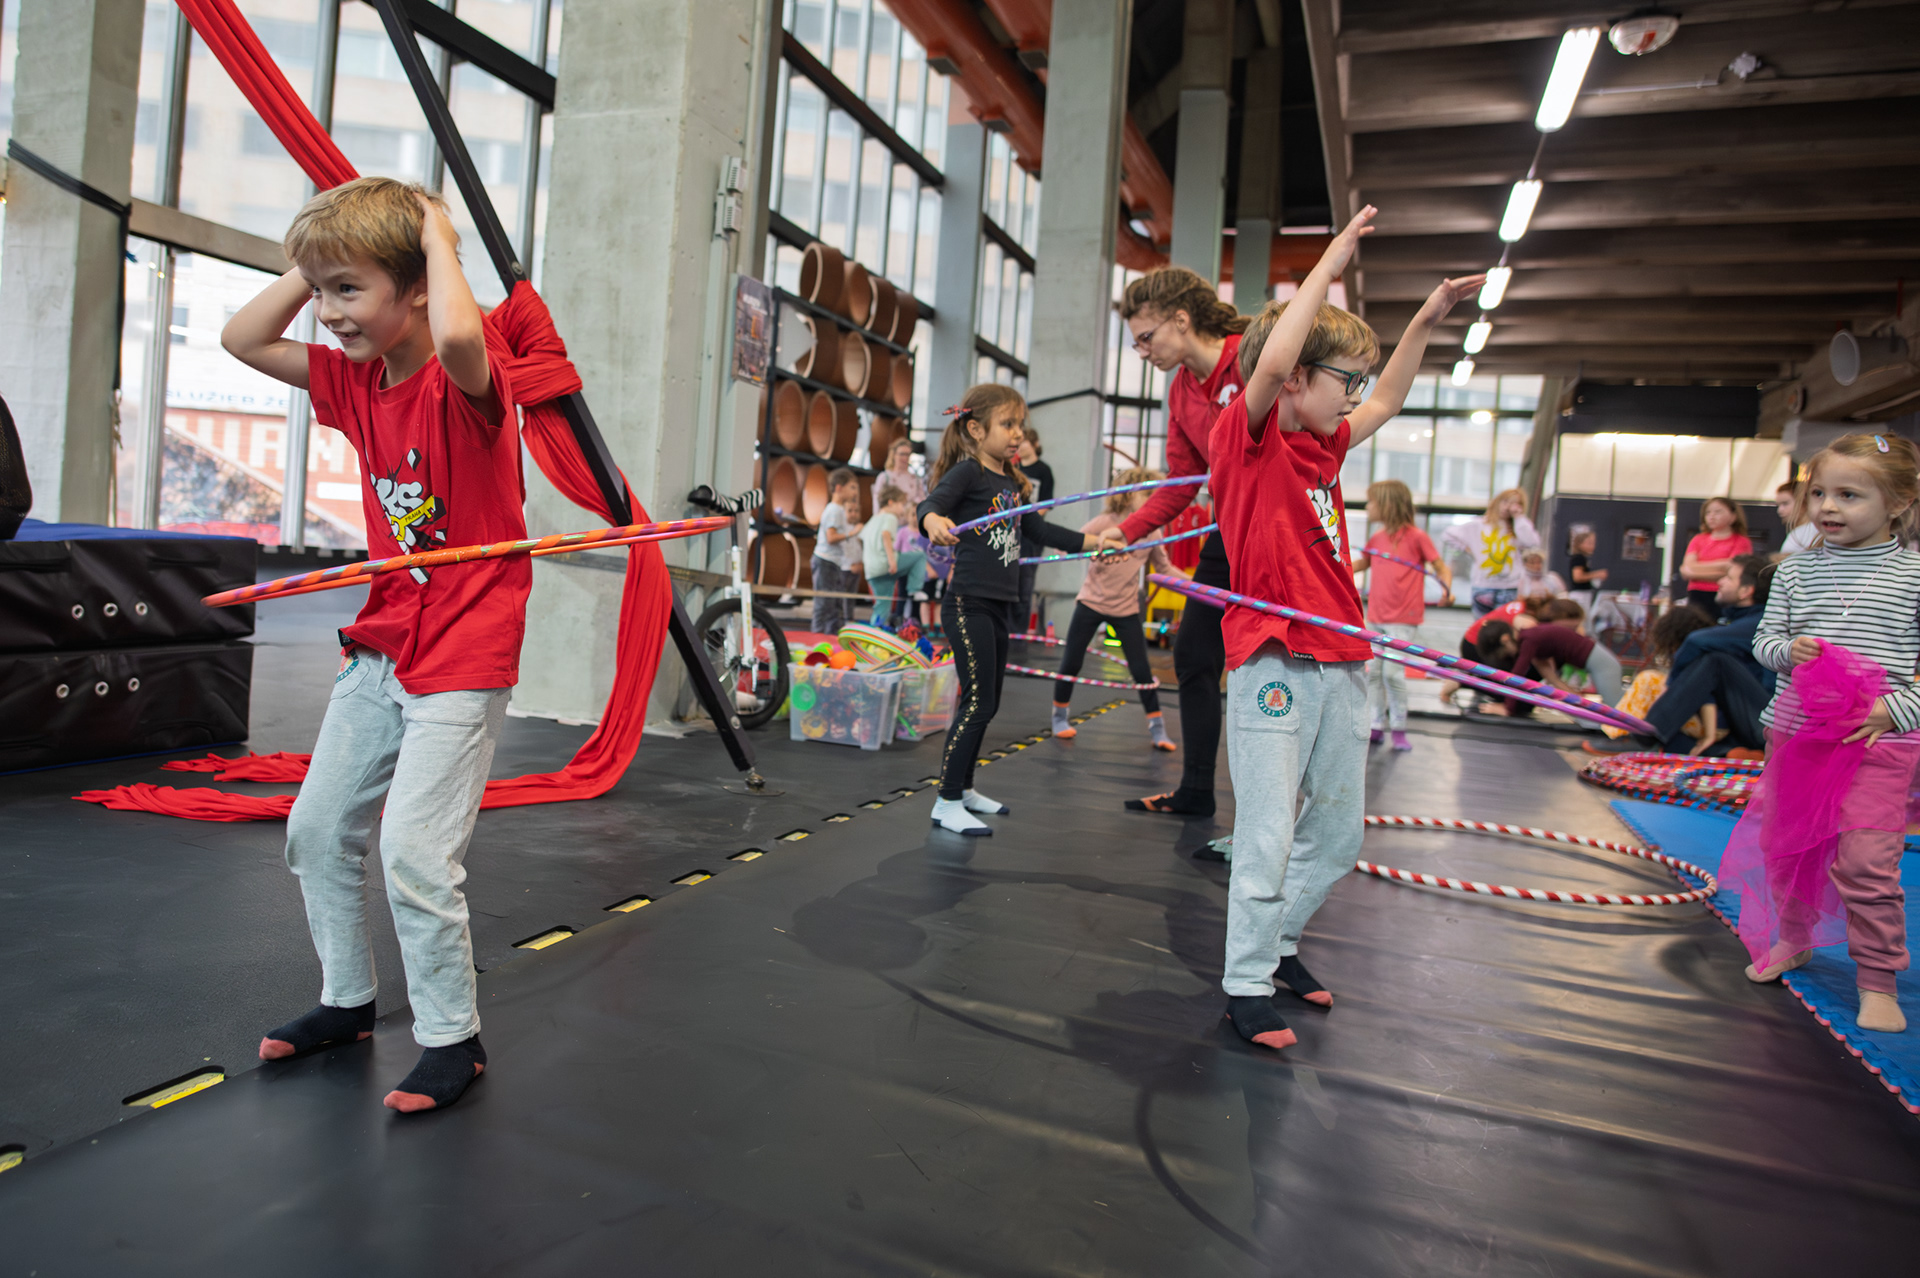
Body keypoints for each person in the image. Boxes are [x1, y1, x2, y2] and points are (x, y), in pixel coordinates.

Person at [220, 177, 520, 1112]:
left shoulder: (467, 382)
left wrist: (434, 233)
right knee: (315, 832)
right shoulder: (355, 383)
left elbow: (461, 337)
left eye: (349, 290)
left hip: (465, 646)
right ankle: (347, 1001)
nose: (329, 311)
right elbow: (242, 340)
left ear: (419, 285)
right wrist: (316, 263)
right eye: (322, 292)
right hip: (385, 638)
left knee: (415, 855)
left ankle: (452, 1038)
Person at [1207, 201, 1482, 1051]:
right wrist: (1327, 266)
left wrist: (1427, 319)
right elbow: (1273, 359)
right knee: (1267, 830)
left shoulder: (1322, 448)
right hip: (1273, 656)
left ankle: (1281, 942)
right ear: (1296, 379)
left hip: (1341, 657)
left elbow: (1392, 396)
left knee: (1336, 832)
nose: (1357, 396)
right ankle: (1246, 982)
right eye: (1344, 380)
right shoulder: (1246, 440)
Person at [1744, 433, 1920, 1034]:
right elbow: (1763, 642)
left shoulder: (1913, 575)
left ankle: (1877, 977)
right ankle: (1792, 938)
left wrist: (1897, 709)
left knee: (1867, 861)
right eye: (1818, 493)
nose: (1827, 507)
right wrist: (1787, 650)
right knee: (1788, 847)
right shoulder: (1795, 572)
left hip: (1878, 742)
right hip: (1797, 737)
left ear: (1899, 502)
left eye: (1849, 495)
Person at [920, 385, 1118, 835]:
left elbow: (1040, 531)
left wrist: (1097, 543)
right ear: (976, 429)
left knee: (987, 705)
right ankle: (946, 800)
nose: (1017, 435)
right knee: (977, 702)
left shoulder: (1009, 483)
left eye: (1020, 426)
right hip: (967, 604)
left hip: (998, 606)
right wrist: (932, 521)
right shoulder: (968, 473)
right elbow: (931, 505)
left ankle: (964, 788)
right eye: (1007, 425)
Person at [1109, 266, 1252, 817]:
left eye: (1147, 337)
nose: (1142, 351)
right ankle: (1195, 791)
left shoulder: (1251, 357)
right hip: (1228, 530)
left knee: (1271, 667)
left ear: (1182, 319)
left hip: (1278, 533)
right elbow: (1180, 482)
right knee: (1193, 652)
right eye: (1136, 343)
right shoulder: (1181, 391)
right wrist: (1125, 531)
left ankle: (1275, 819)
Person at [1051, 469, 1177, 751]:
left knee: (1142, 671)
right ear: (1128, 495)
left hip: (1126, 608)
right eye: (1147, 494)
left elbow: (1165, 569)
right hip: (1091, 602)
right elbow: (1073, 543)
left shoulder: (1152, 530)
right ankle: (1059, 716)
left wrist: (1198, 585)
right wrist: (1072, 551)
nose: (1153, 500)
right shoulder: (1106, 522)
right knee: (1071, 663)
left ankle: (1157, 728)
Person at [1637, 553, 1777, 755]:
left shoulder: (1762, 623)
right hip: (1744, 720)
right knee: (1672, 740)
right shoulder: (1738, 622)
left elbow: (1696, 640)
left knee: (1716, 660)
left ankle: (1644, 737)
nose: (1719, 581)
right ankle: (1728, 752)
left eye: (1728, 577)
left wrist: (1671, 685)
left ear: (1746, 591)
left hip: (1763, 721)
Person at [1352, 478, 1452, 750]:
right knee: (1373, 674)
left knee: (1393, 675)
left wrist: (1447, 589)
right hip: (1376, 615)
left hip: (1403, 618)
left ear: (1387, 504)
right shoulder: (1377, 538)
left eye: (1371, 501)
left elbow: (1440, 568)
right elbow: (1361, 563)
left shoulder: (1417, 537)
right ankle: (1375, 724)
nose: (1368, 506)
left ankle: (1398, 727)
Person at [1476, 604, 1624, 716]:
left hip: (1602, 665)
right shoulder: (1532, 639)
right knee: (1615, 707)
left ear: (1506, 639)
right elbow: (1551, 677)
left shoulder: (1529, 639)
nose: (1509, 657)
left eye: (1505, 654)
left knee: (1618, 712)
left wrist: (1507, 708)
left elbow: (1517, 677)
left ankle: (1629, 736)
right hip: (1598, 664)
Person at [1441, 488, 1542, 616]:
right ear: (1497, 502)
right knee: (1482, 625)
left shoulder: (1518, 528)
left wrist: (1519, 518)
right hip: (1483, 586)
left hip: (1509, 588)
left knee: (1505, 625)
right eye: (1505, 501)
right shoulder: (1478, 525)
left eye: (1514, 503)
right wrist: (1468, 549)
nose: (1507, 507)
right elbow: (1447, 534)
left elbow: (1533, 543)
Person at [863, 480, 926, 627]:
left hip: (871, 570)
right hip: (885, 565)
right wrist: (891, 561)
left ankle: (875, 630)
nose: (903, 510)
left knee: (882, 605)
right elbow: (886, 535)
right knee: (920, 556)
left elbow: (864, 536)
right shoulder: (890, 517)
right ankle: (915, 589)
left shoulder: (873, 519)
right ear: (891, 502)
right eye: (902, 504)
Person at [1679, 496, 1753, 620]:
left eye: (1718, 512)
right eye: (1708, 512)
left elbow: (1734, 569)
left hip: (1724, 594)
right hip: (1697, 594)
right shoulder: (1698, 539)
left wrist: (1696, 571)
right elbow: (1687, 568)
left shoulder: (1741, 541)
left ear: (1733, 516)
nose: (1712, 516)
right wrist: (1722, 566)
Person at [811, 467, 865, 635]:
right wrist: (852, 533)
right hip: (825, 561)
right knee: (823, 605)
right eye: (852, 487)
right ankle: (817, 637)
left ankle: (830, 637)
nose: (855, 492)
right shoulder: (834, 510)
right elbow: (831, 537)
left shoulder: (839, 510)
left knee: (834, 606)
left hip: (833, 562)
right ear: (839, 488)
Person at [1013, 425, 1055, 634]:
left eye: (1024, 442)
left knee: (1025, 583)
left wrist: (1028, 520)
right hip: (1012, 532)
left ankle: (1019, 632)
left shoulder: (1043, 471)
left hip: (1030, 535)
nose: (1020, 446)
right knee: (1009, 580)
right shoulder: (1013, 468)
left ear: (1034, 444)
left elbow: (1046, 504)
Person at [1567, 529, 1608, 606]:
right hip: (1580, 595)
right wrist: (1597, 574)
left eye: (1594, 543)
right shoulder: (1578, 558)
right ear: (1579, 544)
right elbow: (1578, 577)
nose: (1593, 545)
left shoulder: (1584, 558)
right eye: (1589, 543)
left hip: (1585, 594)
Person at [1776, 479, 1817, 555]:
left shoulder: (1800, 534)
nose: (1780, 510)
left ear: (1803, 502)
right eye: (1778, 505)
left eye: (1785, 503)